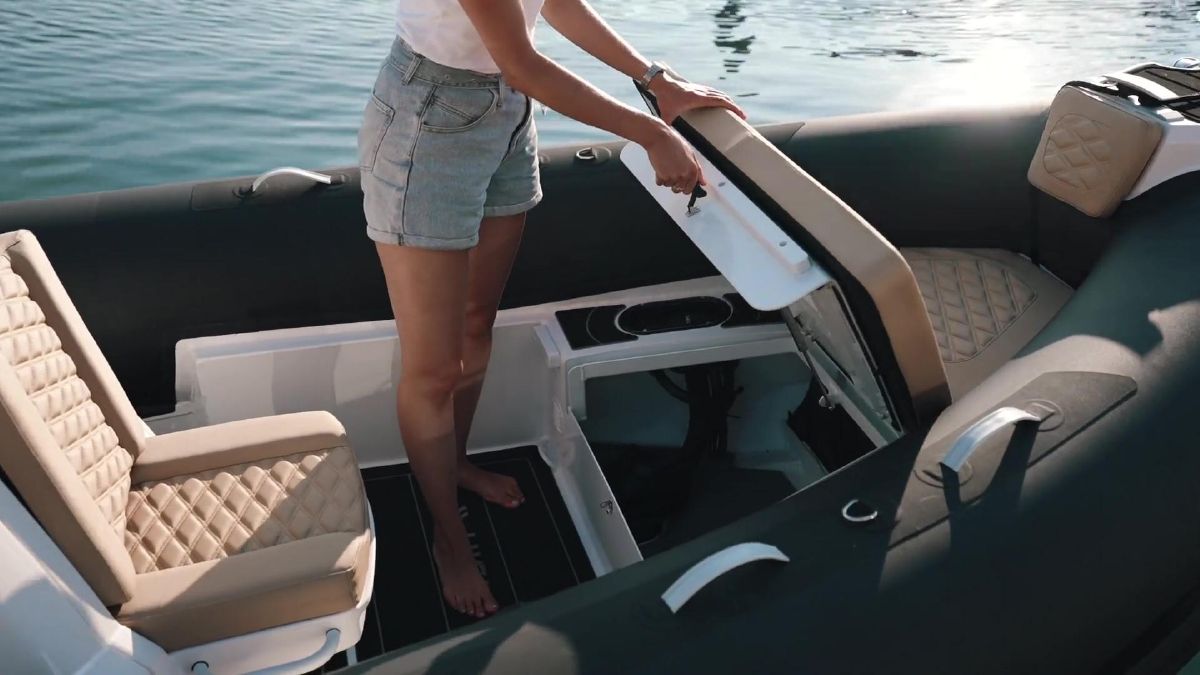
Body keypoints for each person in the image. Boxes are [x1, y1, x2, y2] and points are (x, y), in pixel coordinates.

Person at [358, 0, 745, 620]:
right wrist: (651, 132)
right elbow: (524, 62)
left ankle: (456, 464)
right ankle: (448, 537)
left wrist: (654, 78)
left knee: (477, 323)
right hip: (428, 123)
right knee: (434, 369)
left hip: (507, 115)